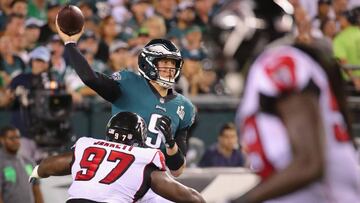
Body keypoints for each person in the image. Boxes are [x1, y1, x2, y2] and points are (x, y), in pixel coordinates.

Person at [206, 0, 360, 202]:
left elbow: (309, 162)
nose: (222, 53)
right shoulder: (290, 60)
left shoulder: (274, 63)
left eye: (223, 39)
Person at [56, 22, 195, 178]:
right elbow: (91, 79)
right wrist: (70, 44)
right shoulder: (128, 82)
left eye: (173, 63)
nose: (169, 68)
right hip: (117, 171)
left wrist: (170, 144)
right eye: (164, 62)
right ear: (148, 63)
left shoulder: (184, 107)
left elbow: (177, 170)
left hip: (151, 179)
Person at [29, 112, 205, 203]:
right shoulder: (143, 158)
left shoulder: (87, 146)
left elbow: (48, 166)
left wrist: (35, 173)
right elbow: (189, 197)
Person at [0, 125, 44, 203]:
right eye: (11, 138)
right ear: (2, 140)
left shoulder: (29, 162)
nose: (16, 141)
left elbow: (36, 190)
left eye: (17, 137)